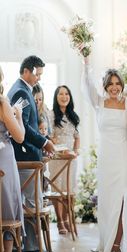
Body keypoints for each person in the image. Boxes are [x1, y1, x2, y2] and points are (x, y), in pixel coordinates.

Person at [81, 57, 127, 252]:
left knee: (121, 201)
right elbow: (87, 85)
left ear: (122, 85)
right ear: (105, 86)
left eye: (117, 83)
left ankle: (116, 249)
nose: (114, 87)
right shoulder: (99, 102)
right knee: (107, 204)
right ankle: (108, 242)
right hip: (105, 159)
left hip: (123, 157)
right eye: (110, 84)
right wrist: (86, 63)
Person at [7, 55, 55, 252]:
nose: (38, 79)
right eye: (37, 74)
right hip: (25, 157)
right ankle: (31, 248)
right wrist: (44, 142)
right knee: (31, 202)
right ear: (27, 71)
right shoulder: (21, 90)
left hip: (22, 155)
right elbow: (23, 127)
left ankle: (23, 246)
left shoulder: (20, 89)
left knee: (27, 202)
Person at [0, 66, 25, 252]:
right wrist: (19, 116)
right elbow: (19, 137)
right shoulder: (2, 103)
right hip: (3, 160)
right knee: (6, 209)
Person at [49, 85, 80, 234]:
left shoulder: (73, 115)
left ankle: (68, 218)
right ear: (56, 97)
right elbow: (49, 137)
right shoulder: (51, 115)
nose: (64, 96)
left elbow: (77, 137)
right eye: (61, 94)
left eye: (67, 93)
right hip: (57, 157)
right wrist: (61, 148)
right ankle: (60, 221)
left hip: (71, 158)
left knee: (69, 189)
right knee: (58, 189)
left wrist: (75, 151)